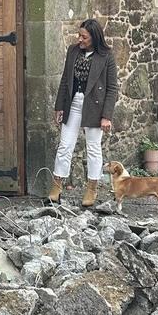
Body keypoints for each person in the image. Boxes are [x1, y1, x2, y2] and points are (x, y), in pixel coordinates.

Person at [49, 18, 119, 207]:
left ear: (94, 38)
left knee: (93, 148)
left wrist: (106, 116)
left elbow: (112, 88)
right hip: (73, 103)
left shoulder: (106, 56)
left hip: (95, 107)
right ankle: (57, 186)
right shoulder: (73, 51)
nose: (80, 39)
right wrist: (59, 106)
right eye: (79, 35)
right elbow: (65, 80)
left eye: (84, 37)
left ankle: (92, 189)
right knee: (65, 145)